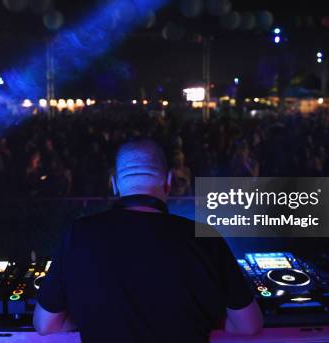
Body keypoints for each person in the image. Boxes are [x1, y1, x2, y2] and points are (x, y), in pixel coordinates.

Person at [34, 139, 263, 342]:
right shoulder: (205, 237)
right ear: (169, 181)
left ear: (114, 183)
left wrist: (83, 318)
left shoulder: (79, 235)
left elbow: (46, 325)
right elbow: (248, 325)